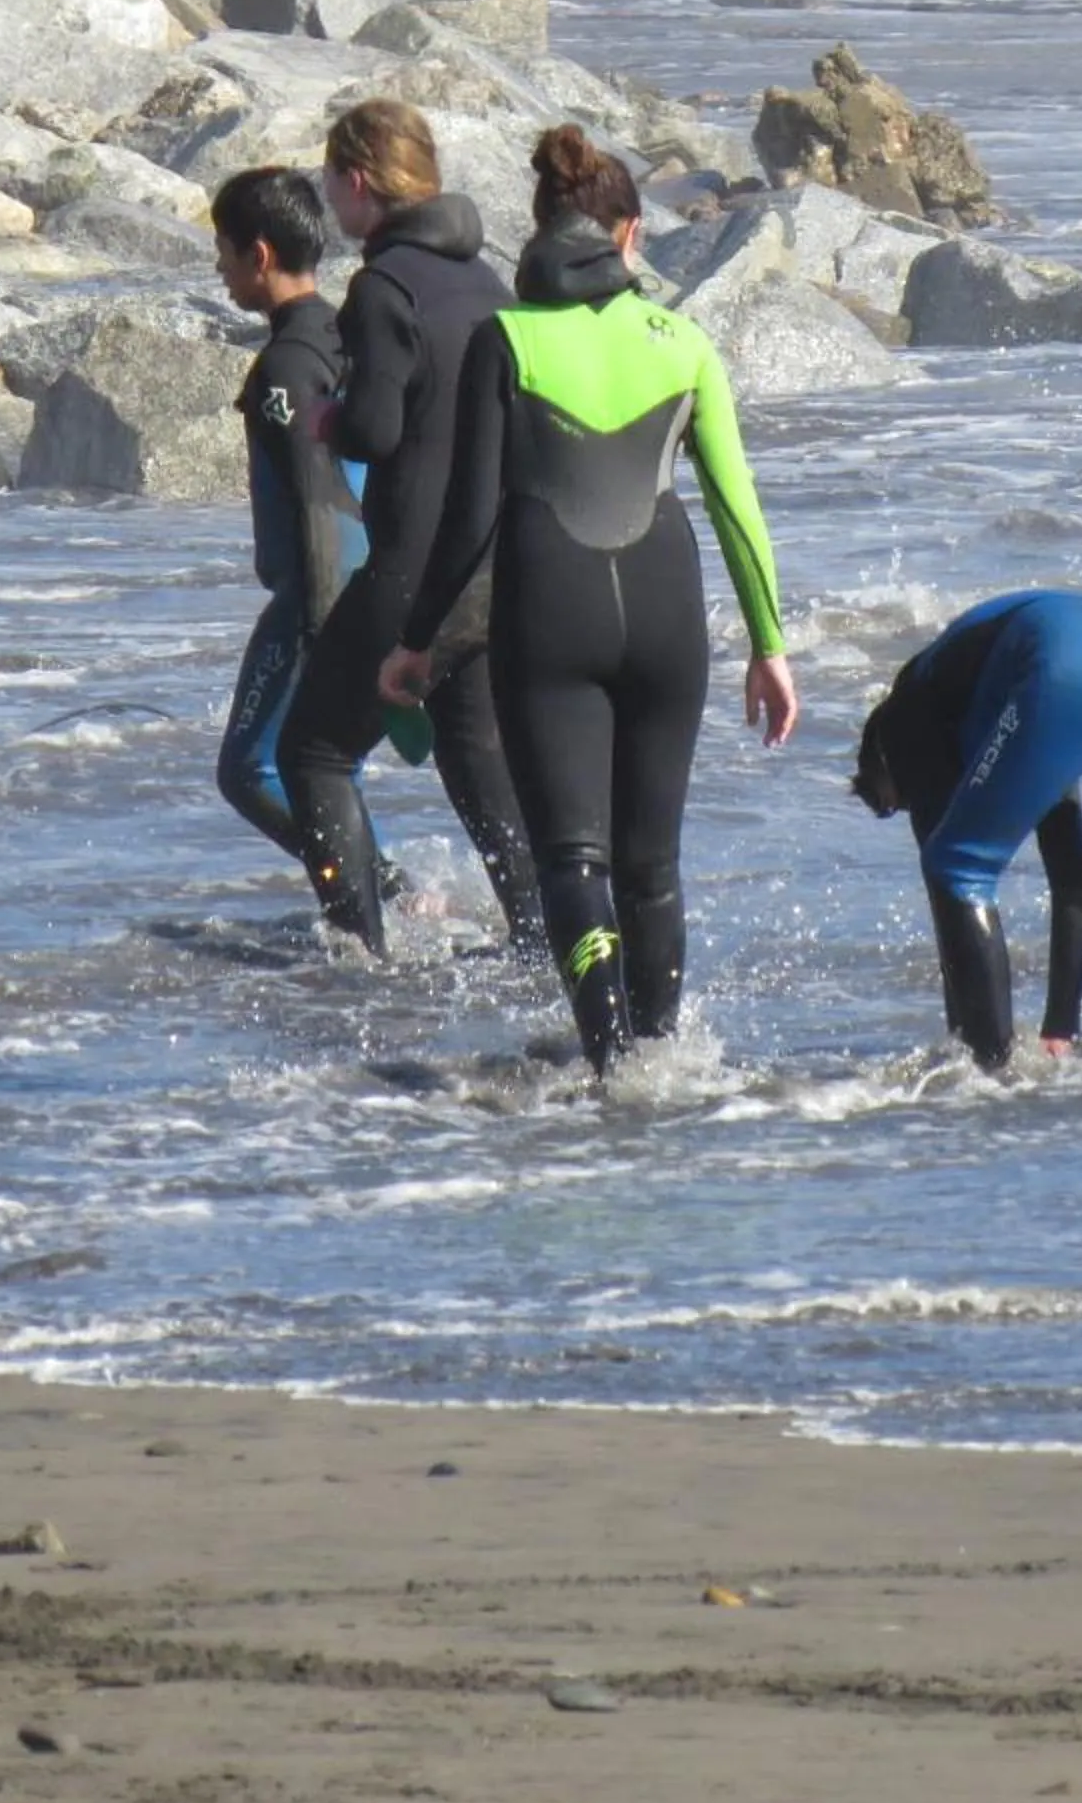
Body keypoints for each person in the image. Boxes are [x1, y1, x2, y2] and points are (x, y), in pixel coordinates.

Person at [378, 127, 796, 1076]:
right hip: (666, 612)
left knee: (574, 860)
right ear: (630, 236)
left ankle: (609, 1066)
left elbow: (469, 520)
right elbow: (738, 509)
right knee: (653, 865)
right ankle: (661, 1056)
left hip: (549, 614)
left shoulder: (508, 339)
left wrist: (416, 644)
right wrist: (769, 647)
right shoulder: (684, 341)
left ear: (539, 230)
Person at [278, 99, 544, 956]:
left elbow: (376, 431)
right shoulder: (487, 280)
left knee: (312, 752)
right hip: (494, 565)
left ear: (358, 184)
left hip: (411, 567)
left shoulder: (384, 287)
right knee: (478, 764)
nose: (329, 203)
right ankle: (546, 944)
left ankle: (355, 948)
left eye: (329, 185)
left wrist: (325, 418)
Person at [853, 592, 1082, 1071]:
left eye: (895, 804)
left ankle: (983, 1075)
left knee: (955, 865)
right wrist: (1060, 1026)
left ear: (883, 767)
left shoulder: (904, 719)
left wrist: (961, 1035)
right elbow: (1068, 879)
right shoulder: (987, 695)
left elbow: (952, 896)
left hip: (1070, 666)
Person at [212, 164, 375, 861]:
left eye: (223, 250)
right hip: (366, 585)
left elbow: (315, 494)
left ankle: (386, 891)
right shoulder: (345, 338)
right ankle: (376, 910)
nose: (219, 269)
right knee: (331, 769)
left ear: (261, 255)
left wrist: (318, 625)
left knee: (252, 770)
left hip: (320, 593)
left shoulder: (285, 367)